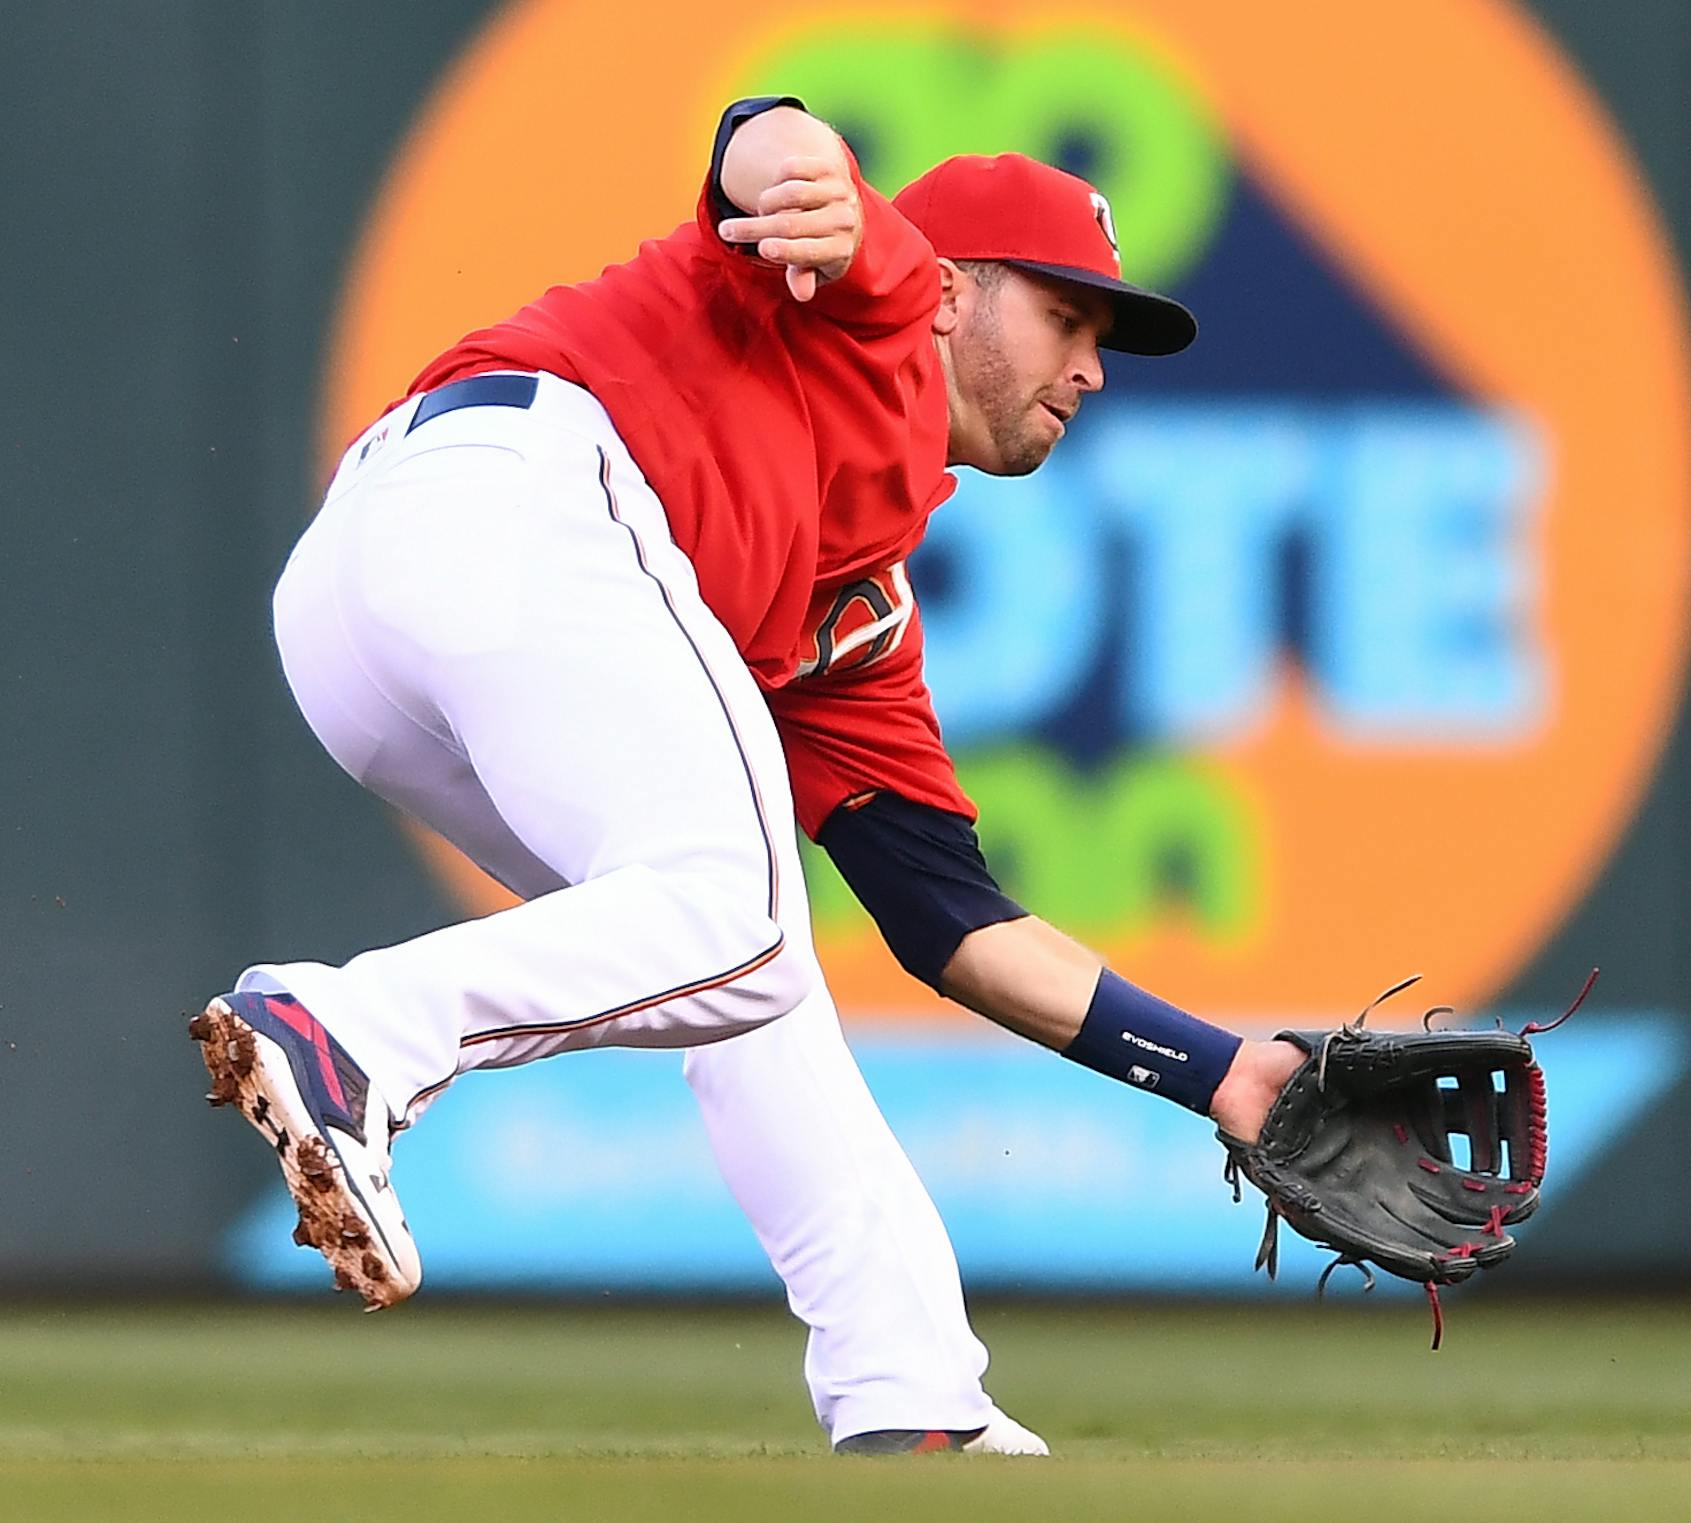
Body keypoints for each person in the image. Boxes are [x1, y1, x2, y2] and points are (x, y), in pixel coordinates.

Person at [189, 96, 1302, 1456]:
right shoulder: (884, 297)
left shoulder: (861, 614)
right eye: (1069, 320)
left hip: (367, 627)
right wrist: (797, 175)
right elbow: (768, 143)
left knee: (745, 971)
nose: (1094, 367)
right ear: (957, 291)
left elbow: (955, 922)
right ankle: (352, 1033)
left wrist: (1224, 1073)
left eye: (1104, 338)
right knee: (740, 912)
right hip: (519, 495)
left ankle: (911, 1400)